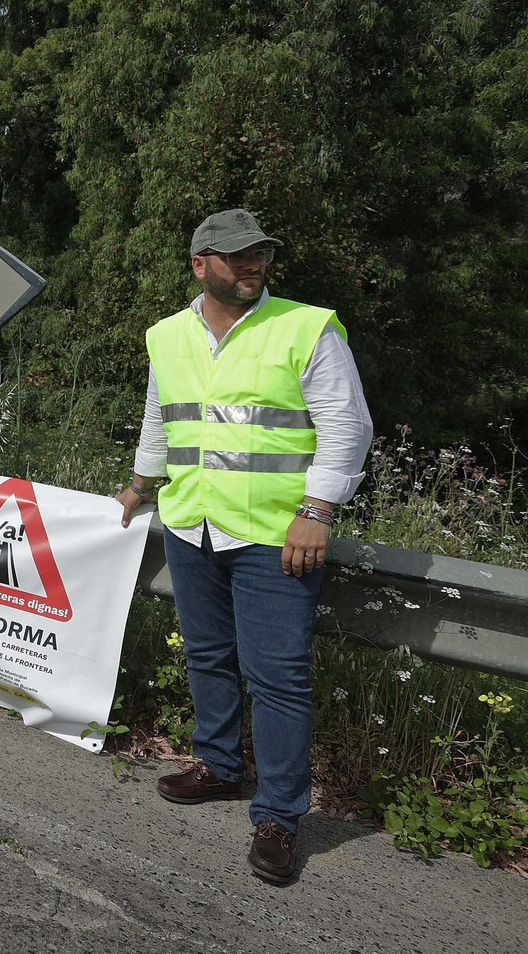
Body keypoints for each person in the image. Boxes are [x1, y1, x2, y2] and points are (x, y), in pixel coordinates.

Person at [115, 209, 371, 883]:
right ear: (200, 264)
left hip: (274, 535)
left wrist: (318, 509)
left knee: (278, 676)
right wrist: (141, 486)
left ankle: (280, 817)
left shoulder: (305, 326)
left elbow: (348, 424)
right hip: (193, 522)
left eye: (259, 253)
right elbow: (160, 418)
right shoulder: (166, 336)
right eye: (236, 256)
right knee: (207, 655)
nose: (252, 265)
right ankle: (221, 765)